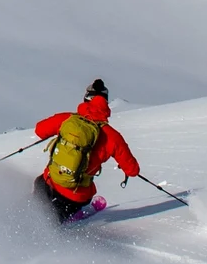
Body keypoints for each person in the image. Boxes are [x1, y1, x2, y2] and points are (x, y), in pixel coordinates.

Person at [33, 77, 140, 222]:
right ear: (106, 104)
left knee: (39, 192)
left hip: (49, 183)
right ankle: (67, 218)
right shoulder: (112, 136)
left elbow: (39, 130)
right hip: (77, 196)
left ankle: (34, 215)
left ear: (86, 100)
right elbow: (133, 170)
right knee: (64, 213)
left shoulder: (68, 119)